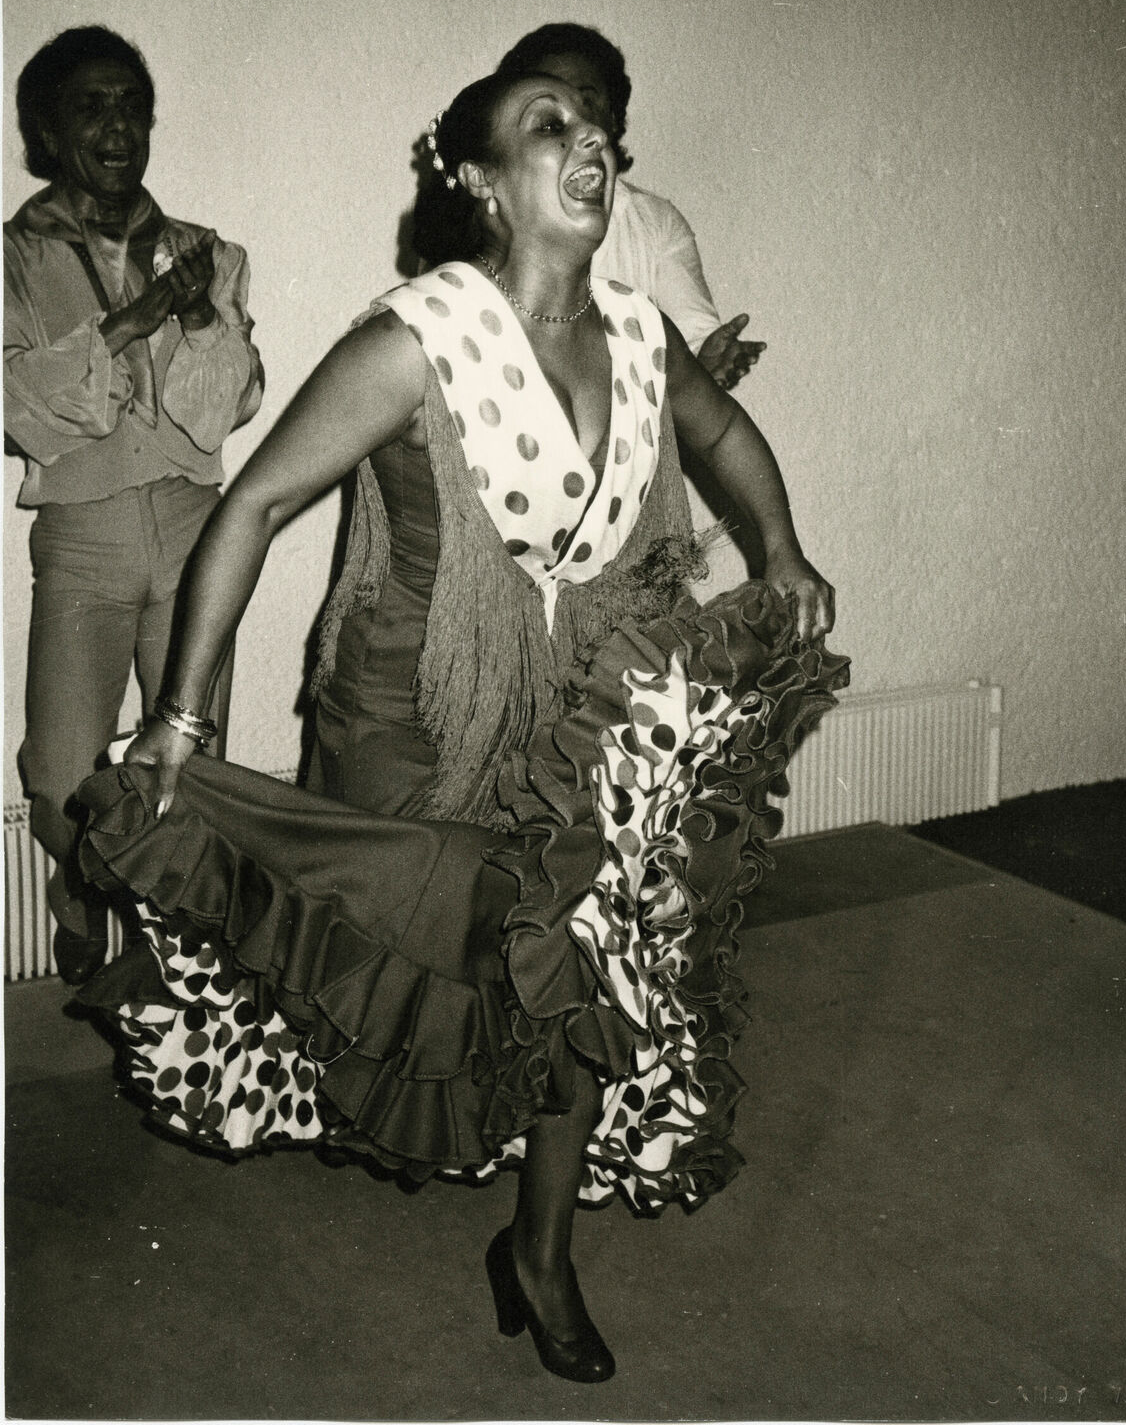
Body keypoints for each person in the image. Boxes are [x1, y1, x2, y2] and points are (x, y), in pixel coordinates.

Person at [75, 70, 846, 1384]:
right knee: (432, 966)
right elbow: (251, 506)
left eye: (599, 128)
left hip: (599, 696)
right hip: (419, 714)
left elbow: (723, 430)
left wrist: (781, 547)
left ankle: (539, 1253)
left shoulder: (641, 333)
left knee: (582, 970)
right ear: (481, 184)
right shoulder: (414, 340)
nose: (591, 141)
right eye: (552, 128)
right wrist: (181, 720)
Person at [4, 25, 263, 984]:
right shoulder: (13, 260)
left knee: (195, 756)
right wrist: (133, 322)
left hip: (198, 528)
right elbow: (16, 406)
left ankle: (181, 950)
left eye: (130, 105)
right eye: (91, 106)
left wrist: (194, 314)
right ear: (48, 130)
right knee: (61, 771)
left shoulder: (210, 254)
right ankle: (80, 899)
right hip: (82, 537)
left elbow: (226, 407)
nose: (117, 127)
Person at [496, 22, 765, 391]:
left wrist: (705, 366)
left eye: (586, 103)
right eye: (549, 115)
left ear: (612, 119)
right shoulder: (488, 215)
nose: (575, 128)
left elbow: (694, 341)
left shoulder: (651, 221)